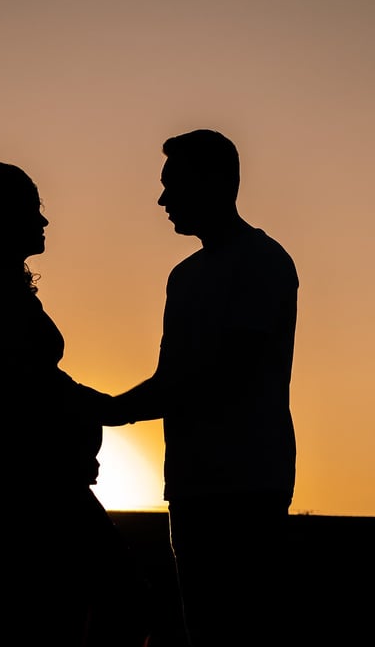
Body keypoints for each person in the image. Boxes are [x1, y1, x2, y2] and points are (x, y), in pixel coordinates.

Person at [0, 160, 150, 645]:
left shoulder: (1, 293)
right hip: (21, 471)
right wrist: (114, 411)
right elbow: (33, 390)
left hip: (32, 468)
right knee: (100, 598)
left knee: (59, 608)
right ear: (4, 220)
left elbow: (45, 385)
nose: (44, 221)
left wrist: (96, 424)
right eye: (34, 209)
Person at [104, 129, 298, 646]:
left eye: (173, 183)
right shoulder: (183, 277)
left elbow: (223, 371)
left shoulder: (263, 262)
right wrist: (115, 409)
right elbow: (176, 377)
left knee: (244, 633)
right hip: (192, 483)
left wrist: (112, 411)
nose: (162, 199)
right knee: (206, 631)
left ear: (215, 182)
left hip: (248, 481)